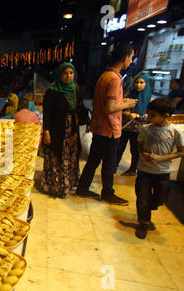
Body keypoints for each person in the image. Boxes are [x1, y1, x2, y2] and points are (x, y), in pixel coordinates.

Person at [76, 43, 138, 205]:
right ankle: (108, 193)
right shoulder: (115, 79)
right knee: (109, 164)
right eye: (131, 57)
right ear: (125, 57)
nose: (131, 61)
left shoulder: (105, 76)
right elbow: (110, 107)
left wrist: (122, 102)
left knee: (93, 160)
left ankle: (82, 188)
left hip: (99, 127)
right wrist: (127, 105)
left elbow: (105, 103)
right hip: (109, 129)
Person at [135, 97, 184, 239]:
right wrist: (143, 154)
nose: (148, 117)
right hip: (144, 170)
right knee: (142, 198)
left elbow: (181, 151)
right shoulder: (145, 129)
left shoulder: (175, 131)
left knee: (160, 198)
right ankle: (143, 222)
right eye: (148, 113)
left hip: (163, 172)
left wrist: (162, 158)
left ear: (165, 116)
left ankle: (150, 206)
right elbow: (139, 144)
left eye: (152, 115)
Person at [40, 62, 90, 198]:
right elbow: (47, 113)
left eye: (71, 73)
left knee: (70, 157)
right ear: (59, 75)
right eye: (65, 73)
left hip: (71, 130)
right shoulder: (52, 92)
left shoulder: (76, 89)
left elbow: (80, 106)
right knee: (57, 156)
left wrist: (89, 121)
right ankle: (56, 186)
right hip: (57, 130)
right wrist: (46, 131)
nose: (68, 76)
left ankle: (68, 183)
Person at [116, 74, 152, 176]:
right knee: (119, 147)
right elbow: (119, 109)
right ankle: (114, 166)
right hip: (125, 126)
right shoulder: (128, 95)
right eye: (137, 82)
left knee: (135, 149)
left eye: (141, 83)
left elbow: (152, 115)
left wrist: (146, 116)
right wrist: (128, 114)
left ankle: (133, 169)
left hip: (140, 129)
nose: (138, 85)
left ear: (146, 84)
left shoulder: (150, 99)